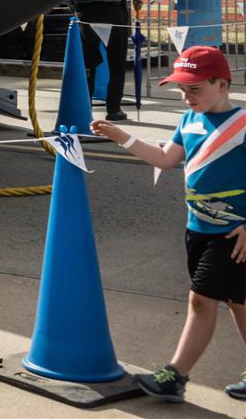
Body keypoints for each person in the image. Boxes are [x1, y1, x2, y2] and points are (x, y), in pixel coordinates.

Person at [93, 45, 246, 402]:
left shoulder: (242, 125)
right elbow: (164, 160)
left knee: (201, 300)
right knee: (238, 302)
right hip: (198, 230)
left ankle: (174, 376)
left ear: (222, 84)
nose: (186, 96)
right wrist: (122, 137)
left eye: (195, 89)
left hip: (232, 234)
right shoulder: (188, 121)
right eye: (182, 89)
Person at [72, 0, 145, 121]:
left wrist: (72, 4)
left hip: (85, 10)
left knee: (87, 64)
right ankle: (114, 109)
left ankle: (85, 107)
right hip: (113, 11)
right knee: (117, 63)